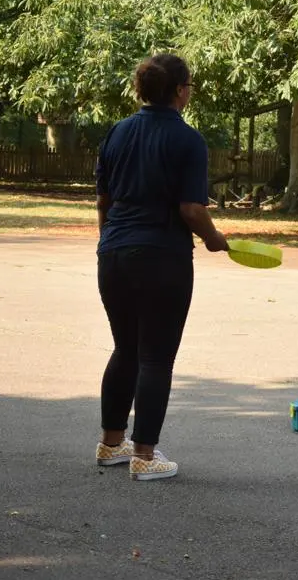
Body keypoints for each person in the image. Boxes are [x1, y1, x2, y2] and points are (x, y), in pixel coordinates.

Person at [93, 53, 230, 480]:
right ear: (179, 91)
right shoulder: (188, 140)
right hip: (161, 257)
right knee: (155, 357)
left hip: (113, 254)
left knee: (125, 349)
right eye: (189, 85)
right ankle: (145, 456)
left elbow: (103, 200)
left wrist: (107, 239)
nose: (190, 92)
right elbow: (191, 208)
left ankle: (111, 444)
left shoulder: (118, 131)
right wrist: (213, 238)